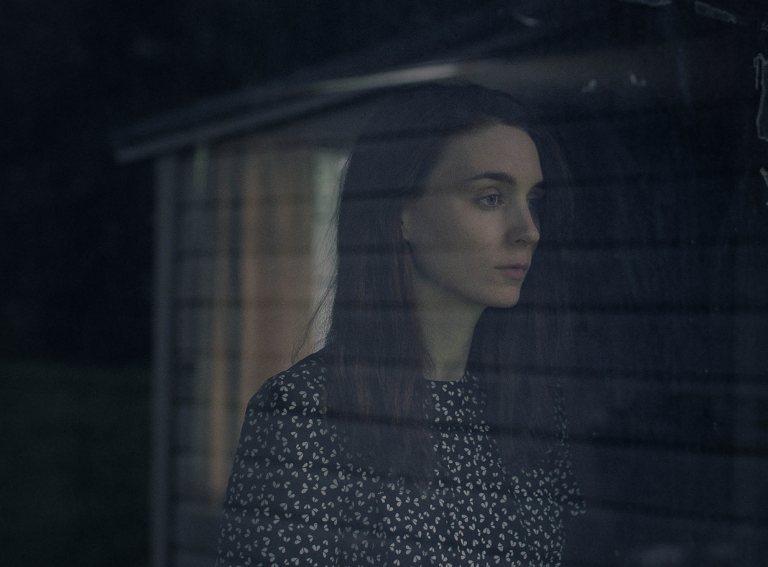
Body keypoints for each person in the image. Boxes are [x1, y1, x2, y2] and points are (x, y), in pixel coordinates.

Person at [216, 82, 584, 566]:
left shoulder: (531, 410)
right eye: (491, 198)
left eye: (533, 200)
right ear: (402, 213)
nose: (528, 230)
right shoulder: (303, 415)